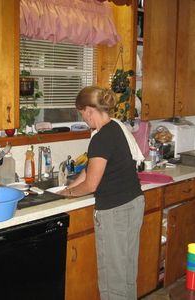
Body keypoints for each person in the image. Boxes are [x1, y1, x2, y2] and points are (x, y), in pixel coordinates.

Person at [58, 86, 145, 300]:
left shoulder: (100, 138)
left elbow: (91, 185)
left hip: (115, 212)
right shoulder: (115, 128)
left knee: (112, 279)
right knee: (126, 272)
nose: (84, 118)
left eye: (81, 113)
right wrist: (68, 188)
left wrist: (69, 194)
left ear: (88, 110)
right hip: (133, 203)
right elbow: (90, 169)